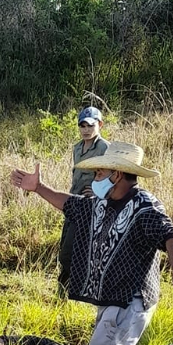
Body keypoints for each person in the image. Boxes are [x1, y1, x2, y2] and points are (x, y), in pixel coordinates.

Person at [11, 142, 173, 345]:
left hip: (130, 301)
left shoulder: (145, 206)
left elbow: (170, 235)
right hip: (112, 299)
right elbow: (71, 206)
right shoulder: (103, 203)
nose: (95, 179)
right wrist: (38, 188)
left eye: (99, 173)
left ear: (117, 175)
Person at [58, 106, 110, 291]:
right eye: (82, 125)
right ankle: (64, 289)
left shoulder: (105, 148)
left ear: (100, 125)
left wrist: (98, 191)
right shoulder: (77, 147)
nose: (86, 129)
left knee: (74, 250)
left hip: (91, 205)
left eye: (90, 125)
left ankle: (70, 290)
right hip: (74, 200)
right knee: (65, 245)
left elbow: (112, 176)